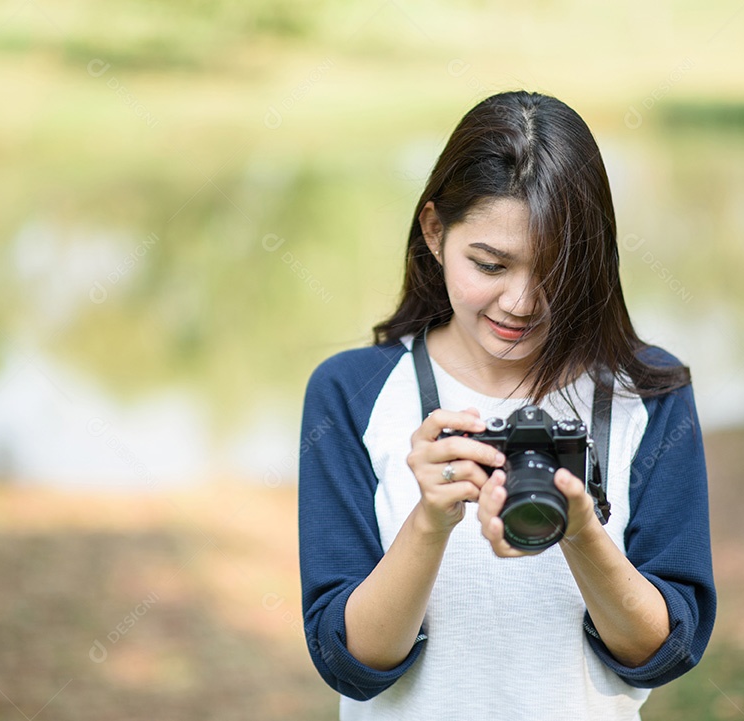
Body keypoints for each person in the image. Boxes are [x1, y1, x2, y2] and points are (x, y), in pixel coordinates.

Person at [298, 90, 715, 721]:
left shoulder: (647, 394)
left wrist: (579, 530)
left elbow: (666, 650)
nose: (520, 302)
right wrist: (429, 522)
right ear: (435, 232)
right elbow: (350, 663)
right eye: (490, 264)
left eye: (555, 270)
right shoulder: (351, 393)